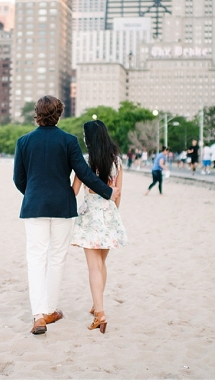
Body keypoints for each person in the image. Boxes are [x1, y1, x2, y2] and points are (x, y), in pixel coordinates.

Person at [13, 96, 120, 336]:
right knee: (57, 257)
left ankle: (38, 315)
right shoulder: (69, 141)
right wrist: (108, 192)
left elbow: (18, 179)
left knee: (36, 258)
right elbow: (84, 173)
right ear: (59, 115)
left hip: (34, 207)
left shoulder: (24, 141)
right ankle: (50, 309)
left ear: (36, 114)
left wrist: (33, 194)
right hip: (63, 207)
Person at [70, 120, 128, 334]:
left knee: (93, 267)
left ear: (90, 139)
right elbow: (119, 192)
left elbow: (75, 190)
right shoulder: (117, 161)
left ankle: (100, 314)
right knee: (102, 264)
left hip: (91, 215)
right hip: (110, 213)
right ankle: (97, 304)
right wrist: (115, 214)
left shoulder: (85, 161)